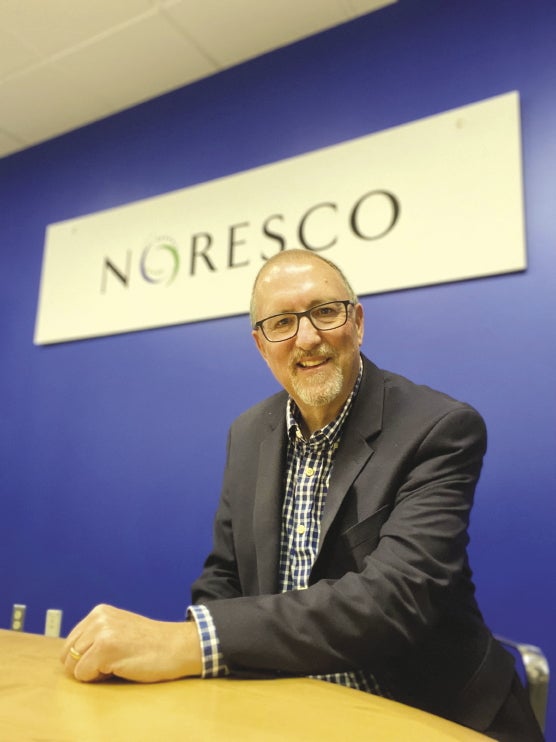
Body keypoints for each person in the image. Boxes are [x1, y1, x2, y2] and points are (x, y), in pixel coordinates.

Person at [62, 249, 544, 742]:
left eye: (325, 312)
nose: (307, 338)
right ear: (260, 345)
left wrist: (192, 642)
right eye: (282, 322)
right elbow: (224, 579)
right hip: (294, 710)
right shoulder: (248, 433)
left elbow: (393, 600)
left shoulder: (439, 428)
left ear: (356, 321)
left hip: (426, 713)